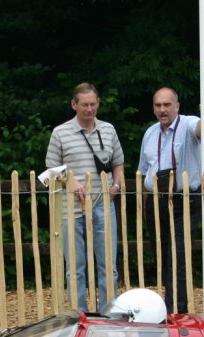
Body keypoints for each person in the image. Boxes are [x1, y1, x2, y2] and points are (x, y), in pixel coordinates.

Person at [46, 82, 125, 312]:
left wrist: (117, 186)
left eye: (92, 104)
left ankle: (108, 312)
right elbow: (51, 168)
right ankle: (78, 316)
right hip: (71, 207)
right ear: (74, 105)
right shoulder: (60, 132)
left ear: (98, 103)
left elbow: (118, 163)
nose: (89, 109)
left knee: (108, 264)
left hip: (104, 203)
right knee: (75, 266)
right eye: (84, 105)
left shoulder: (109, 129)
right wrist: (71, 181)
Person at [138, 87, 204, 315]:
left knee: (179, 255)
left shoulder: (187, 124)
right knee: (160, 254)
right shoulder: (150, 133)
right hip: (156, 201)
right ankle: (164, 306)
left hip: (183, 200)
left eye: (167, 105)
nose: (162, 109)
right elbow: (143, 171)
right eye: (158, 105)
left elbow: (202, 129)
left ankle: (178, 310)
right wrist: (144, 205)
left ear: (177, 106)